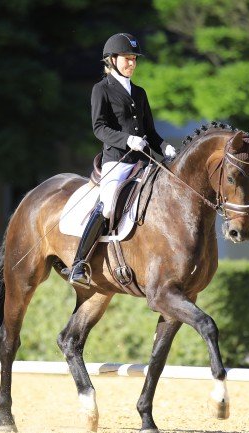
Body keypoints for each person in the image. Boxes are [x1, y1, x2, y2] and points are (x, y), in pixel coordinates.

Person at [64, 32, 177, 289]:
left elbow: (151, 132)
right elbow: (99, 128)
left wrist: (166, 147)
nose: (132, 63)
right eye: (127, 58)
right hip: (117, 161)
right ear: (111, 60)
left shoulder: (139, 92)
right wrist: (127, 140)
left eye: (134, 59)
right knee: (106, 206)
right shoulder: (101, 89)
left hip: (144, 161)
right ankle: (80, 262)